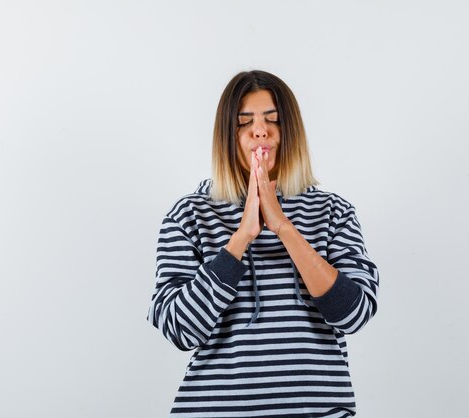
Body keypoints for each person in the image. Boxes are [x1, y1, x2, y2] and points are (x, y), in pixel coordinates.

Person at [146, 70, 379, 417]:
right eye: (244, 122)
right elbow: (180, 330)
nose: (260, 131)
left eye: (273, 120)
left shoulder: (333, 212)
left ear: (291, 132)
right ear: (227, 135)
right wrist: (241, 238)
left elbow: (354, 314)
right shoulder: (188, 215)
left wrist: (283, 226)